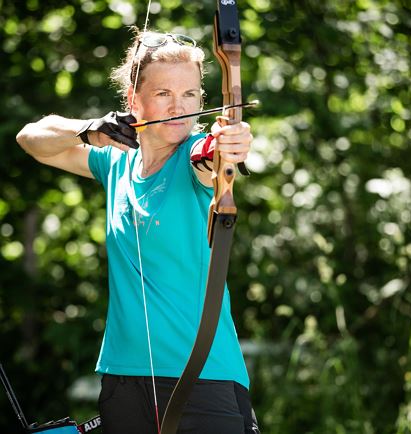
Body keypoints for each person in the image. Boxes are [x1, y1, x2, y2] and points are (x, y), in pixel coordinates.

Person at [16, 29, 260, 434]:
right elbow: (32, 139)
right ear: (134, 100)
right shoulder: (115, 164)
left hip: (204, 379)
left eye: (190, 95)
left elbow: (213, 156)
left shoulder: (195, 158)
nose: (179, 106)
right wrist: (90, 129)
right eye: (163, 93)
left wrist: (230, 143)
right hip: (123, 380)